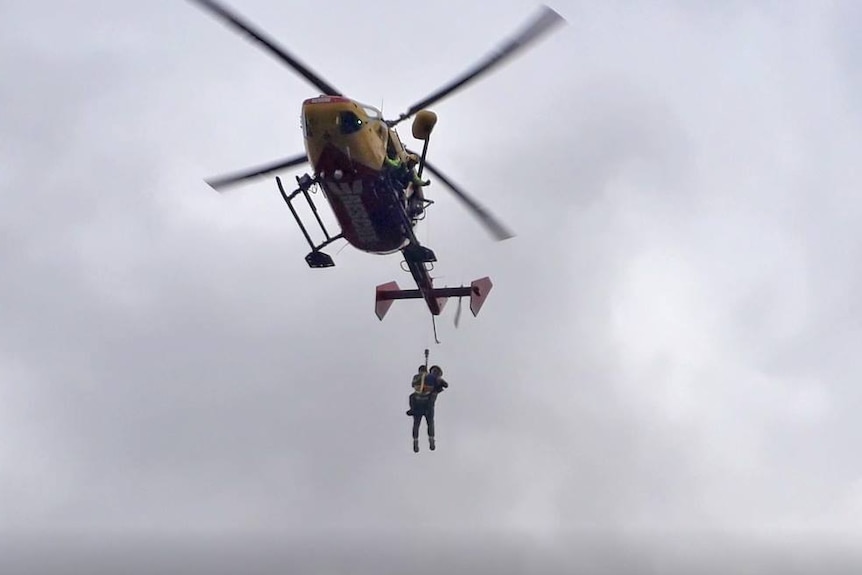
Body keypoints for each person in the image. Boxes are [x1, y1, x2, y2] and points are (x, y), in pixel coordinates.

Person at [407, 364, 448, 452]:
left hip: (419, 403)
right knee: (429, 423)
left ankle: (418, 441)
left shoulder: (425, 377)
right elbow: (445, 385)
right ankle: (429, 440)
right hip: (427, 405)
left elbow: (413, 384)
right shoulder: (432, 378)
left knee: (417, 423)